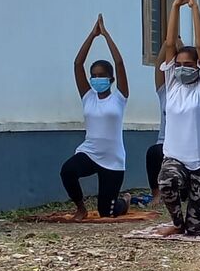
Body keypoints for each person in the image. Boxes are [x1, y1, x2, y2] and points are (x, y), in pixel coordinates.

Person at [157, 0, 200, 236]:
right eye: (180, 63)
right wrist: (175, 6)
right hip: (176, 159)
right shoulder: (172, 83)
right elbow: (169, 44)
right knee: (166, 181)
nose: (183, 67)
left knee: (196, 229)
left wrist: (194, 8)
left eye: (189, 64)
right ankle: (176, 222)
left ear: (198, 67)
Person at [60, 14, 130, 220]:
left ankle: (124, 201)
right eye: (94, 75)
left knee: (106, 213)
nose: (97, 79)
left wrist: (106, 35)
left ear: (111, 79)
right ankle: (80, 208)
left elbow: (119, 62)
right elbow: (77, 64)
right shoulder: (88, 96)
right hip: (90, 153)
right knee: (68, 170)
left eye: (102, 75)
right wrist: (92, 35)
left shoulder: (119, 97)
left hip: (113, 160)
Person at [145, 37, 182, 206]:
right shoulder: (165, 93)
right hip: (165, 144)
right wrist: (168, 41)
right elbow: (159, 64)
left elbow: (194, 63)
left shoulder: (196, 92)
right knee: (153, 152)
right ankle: (157, 195)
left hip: (186, 147)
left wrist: (180, 46)